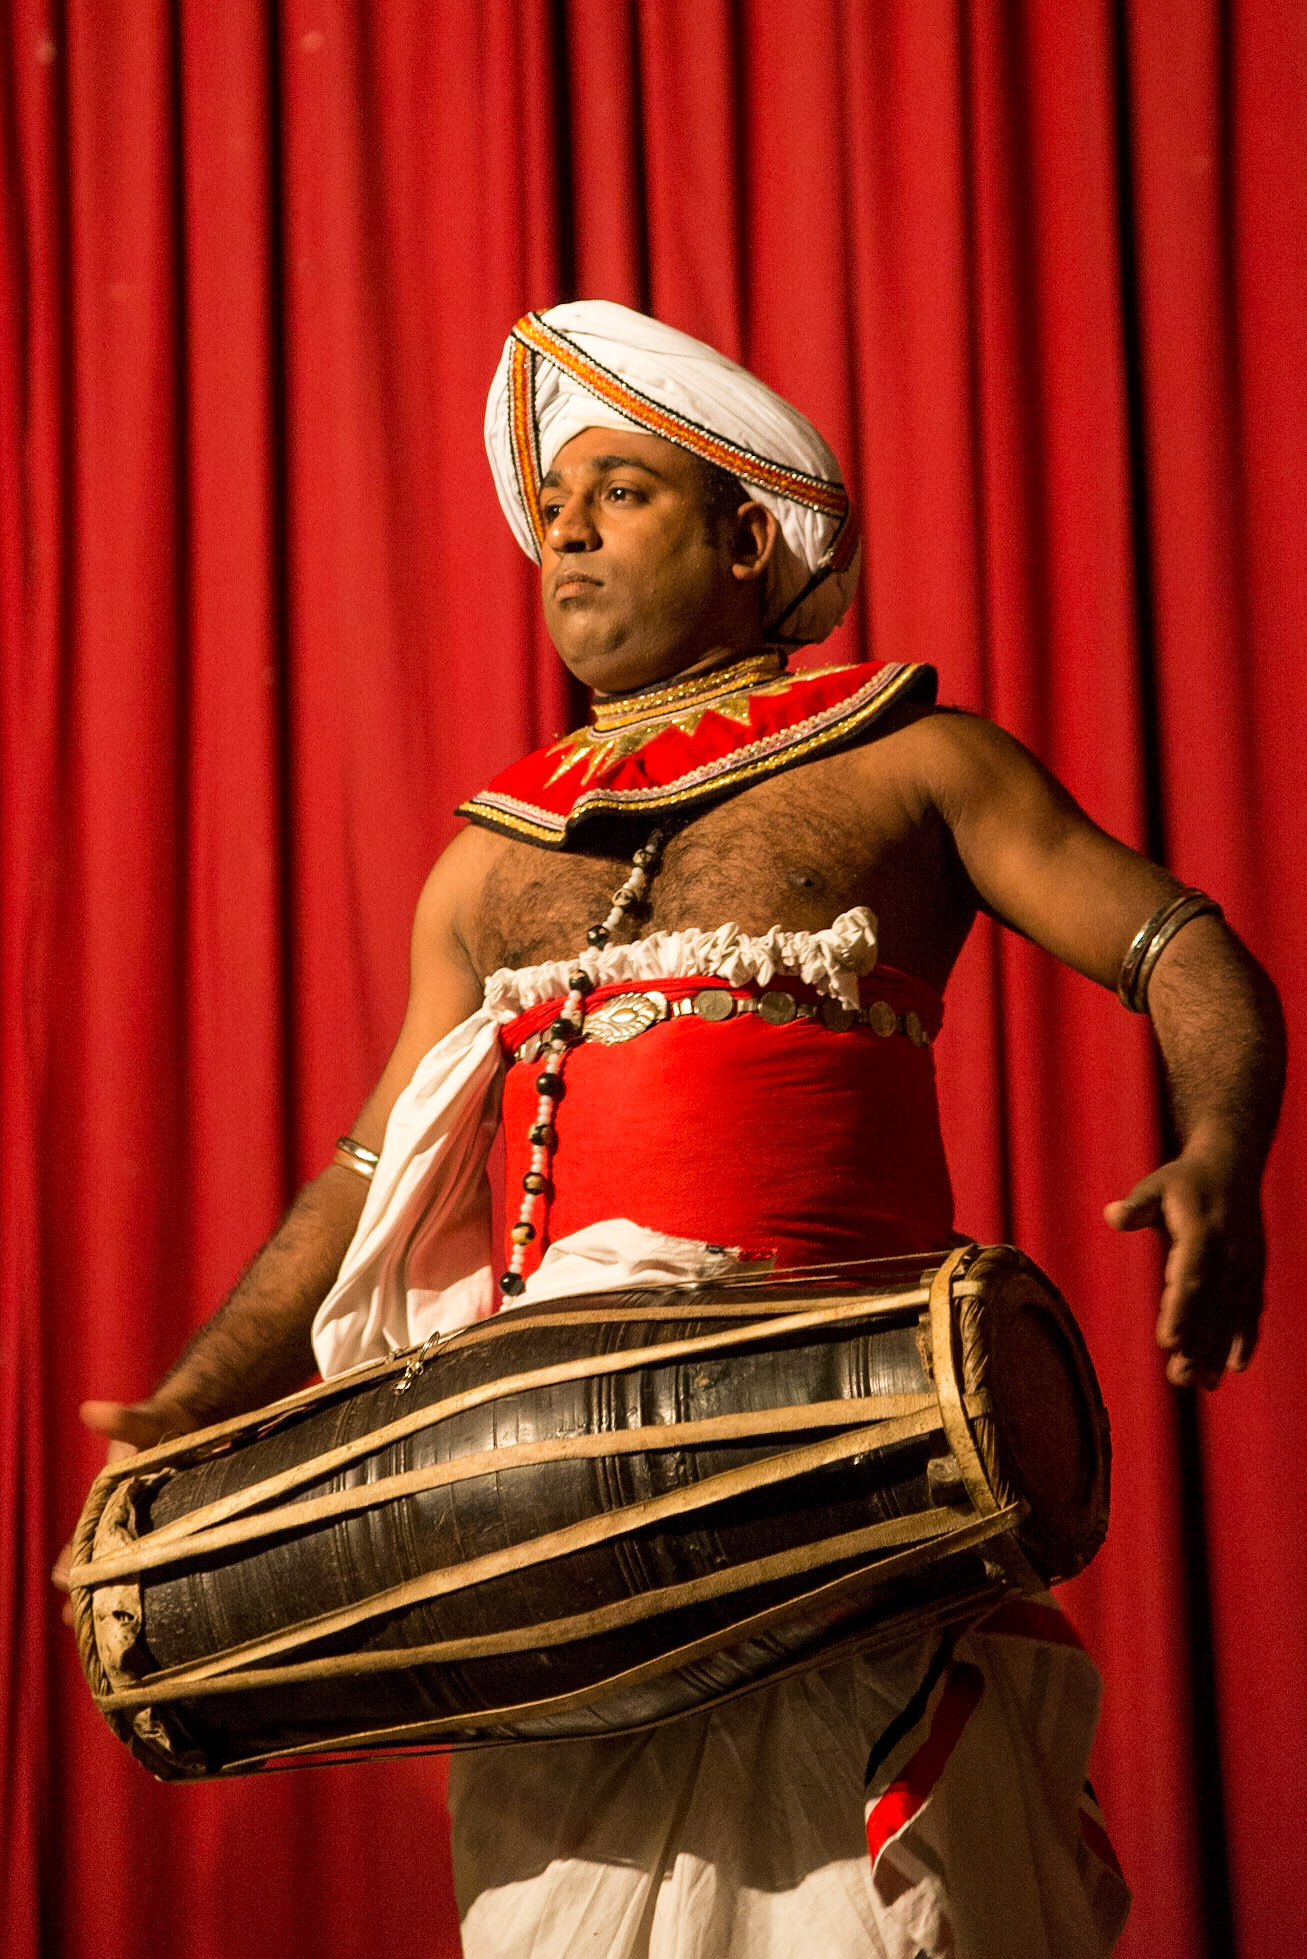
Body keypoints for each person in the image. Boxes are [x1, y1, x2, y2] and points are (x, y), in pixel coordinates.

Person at [61, 303, 1283, 1959]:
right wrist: (197, 1404)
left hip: (841, 1480)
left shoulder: (914, 763)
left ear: (746, 539)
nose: (562, 530)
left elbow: (1180, 943)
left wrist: (1225, 1152)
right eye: (551, 507)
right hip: (553, 1539)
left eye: (619, 492)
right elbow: (366, 1174)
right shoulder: (486, 864)